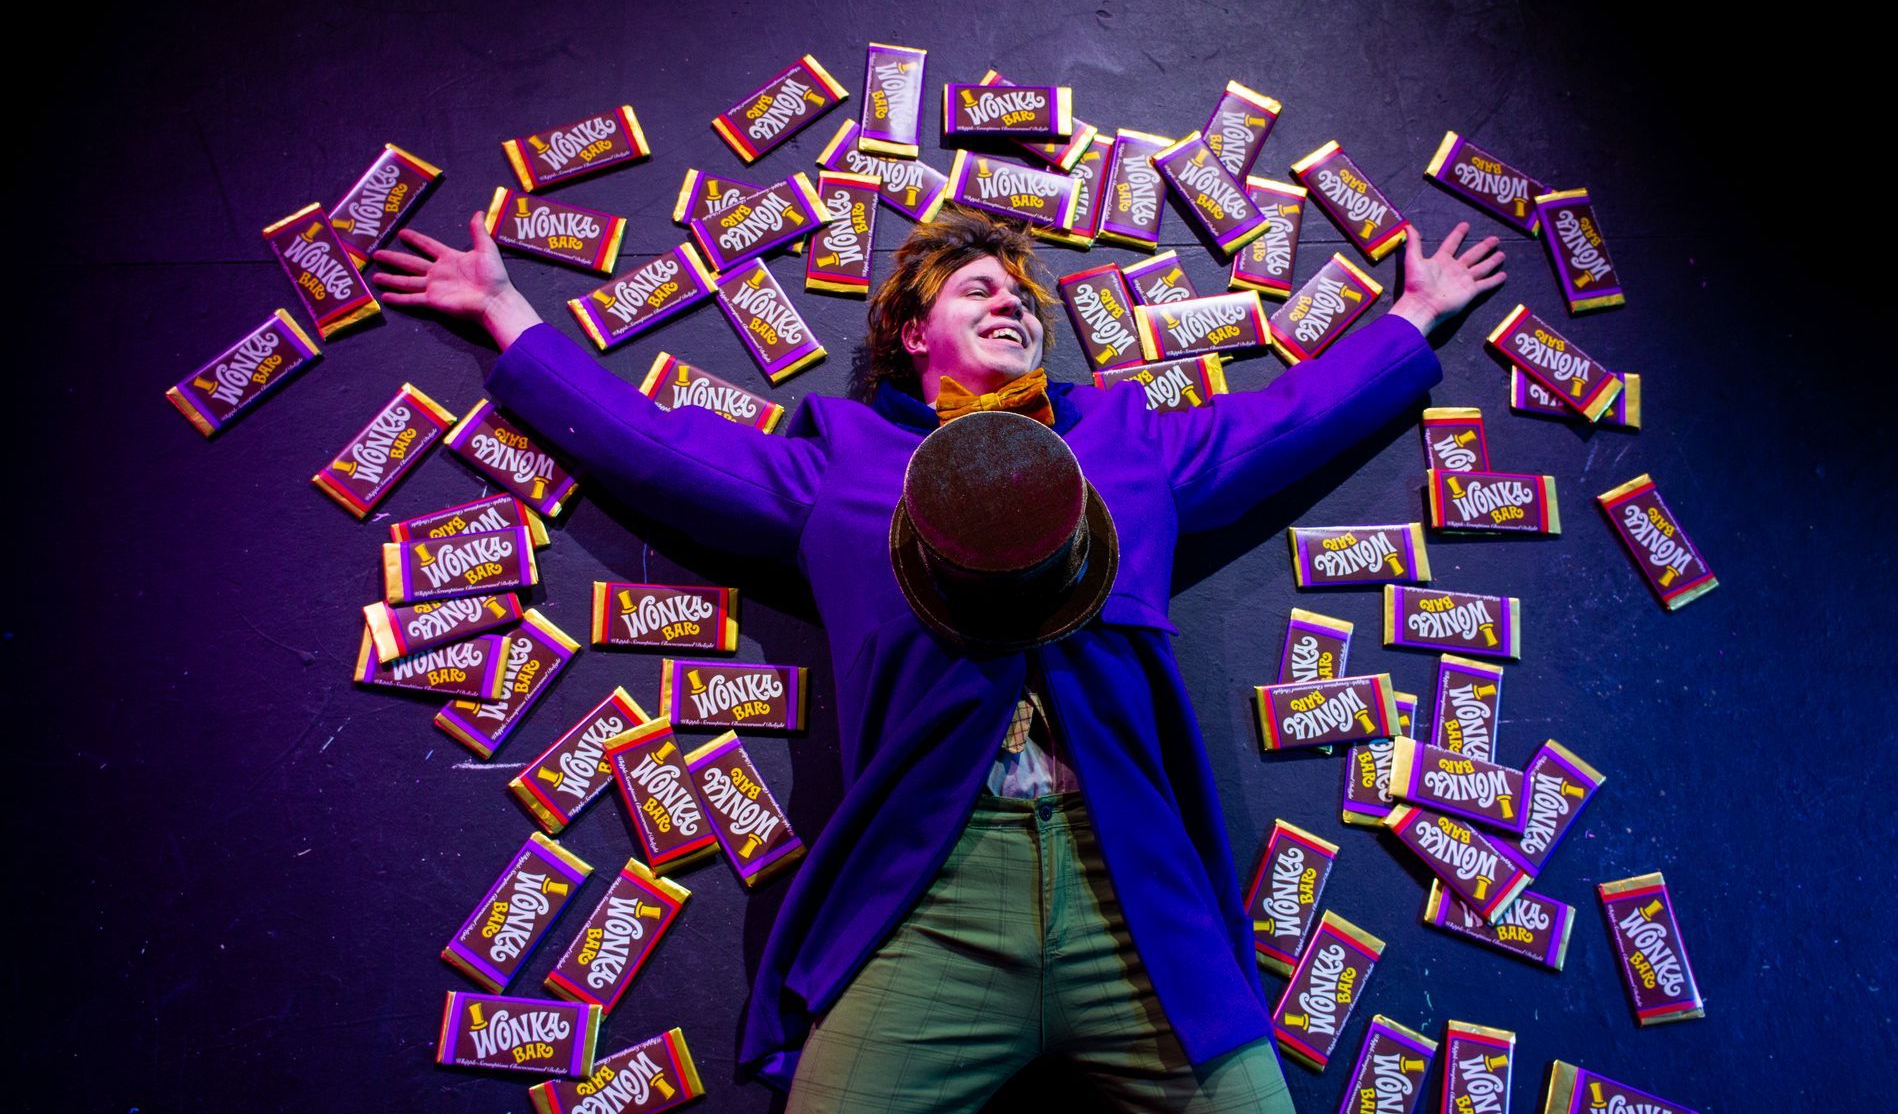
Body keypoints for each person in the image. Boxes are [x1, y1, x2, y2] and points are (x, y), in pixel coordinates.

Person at [372, 204, 1505, 1113]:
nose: (1012, 300)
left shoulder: (1125, 442)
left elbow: (1285, 420)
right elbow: (660, 450)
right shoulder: (844, 461)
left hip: (1132, 887)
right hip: (930, 889)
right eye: (980, 287)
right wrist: (510, 314)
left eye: (1021, 295)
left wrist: (1413, 317)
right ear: (915, 336)